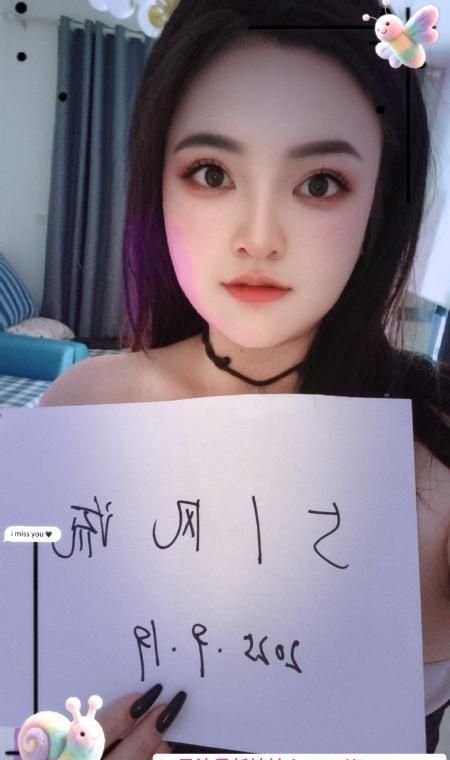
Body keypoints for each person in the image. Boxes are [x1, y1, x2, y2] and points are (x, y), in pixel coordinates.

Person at [39, 0, 450, 754]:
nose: (258, 238)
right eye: (211, 173)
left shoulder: (435, 448)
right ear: (157, 182)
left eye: (320, 183)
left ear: (380, 204)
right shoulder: (79, 411)